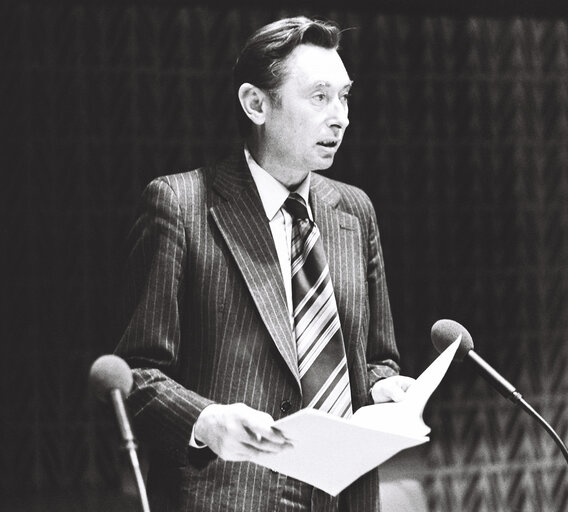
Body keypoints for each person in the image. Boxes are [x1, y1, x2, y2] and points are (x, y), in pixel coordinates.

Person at [115, 16, 413, 512]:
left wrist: (385, 387)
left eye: (345, 97)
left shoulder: (354, 211)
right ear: (256, 104)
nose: (339, 116)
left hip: (347, 496)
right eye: (319, 97)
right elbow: (136, 376)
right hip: (233, 496)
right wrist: (206, 420)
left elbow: (378, 358)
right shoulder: (181, 205)